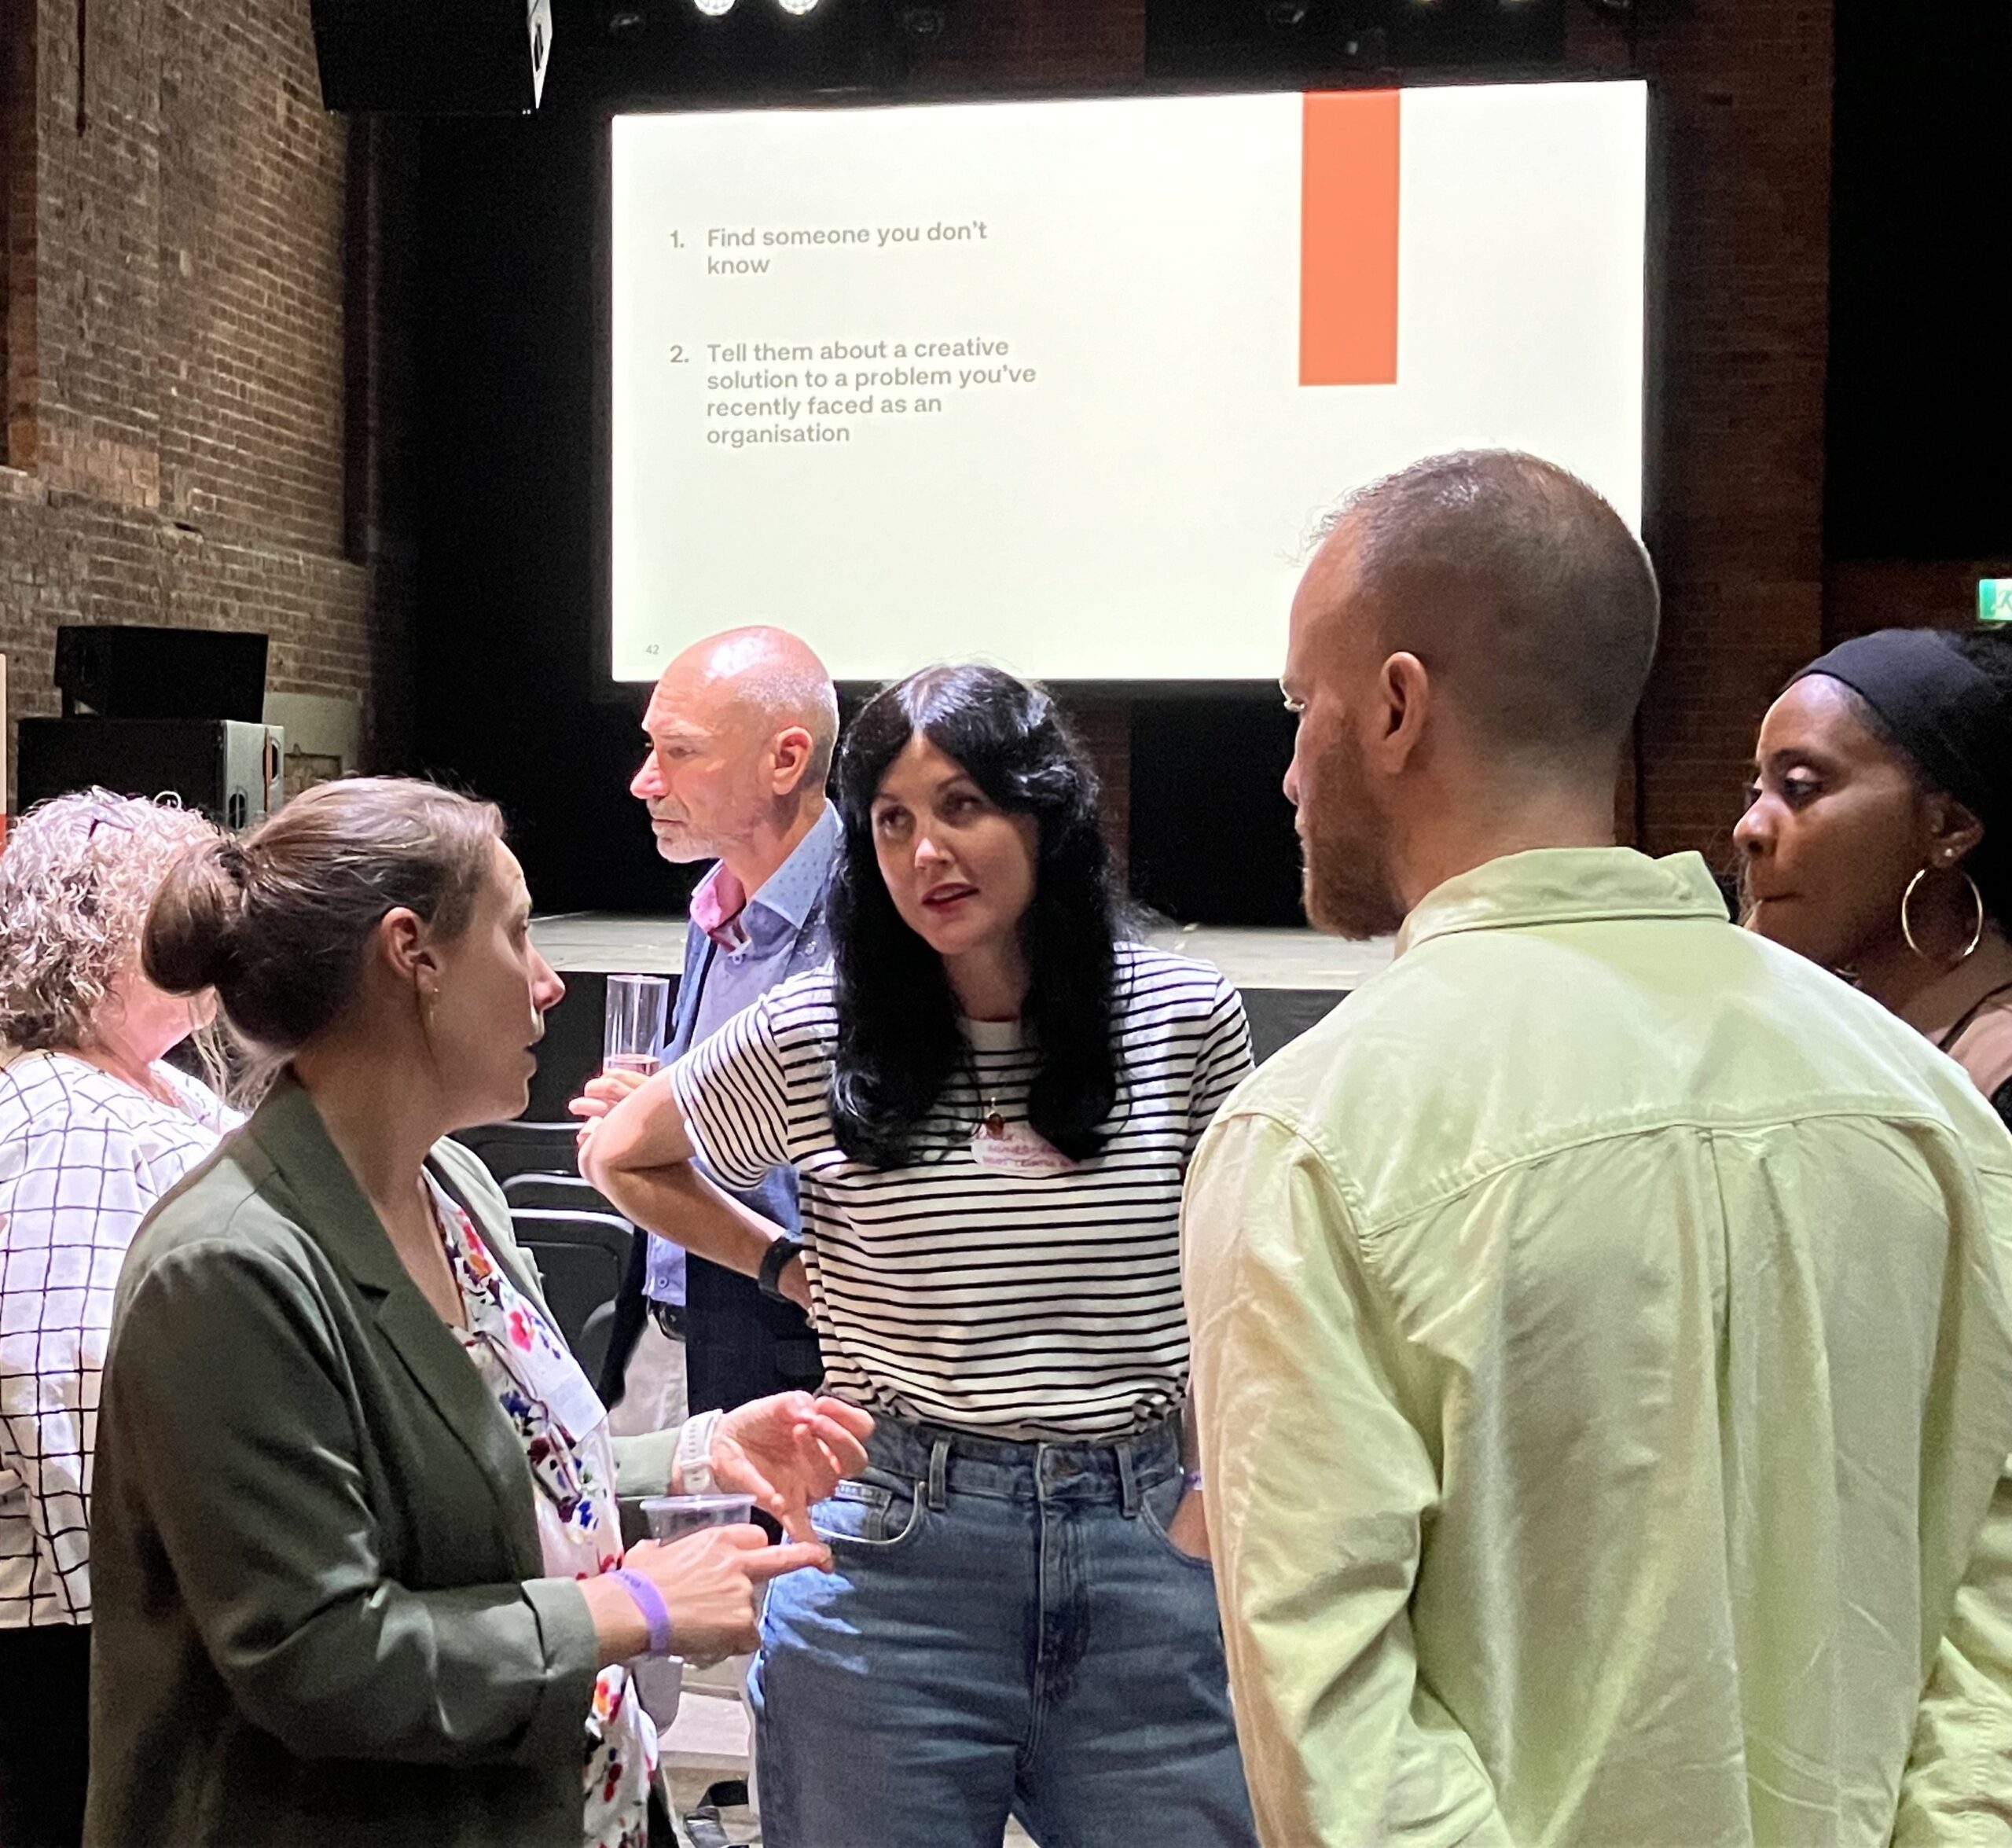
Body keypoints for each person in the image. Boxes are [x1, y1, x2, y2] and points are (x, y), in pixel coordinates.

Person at [1180, 450, 2012, 1845]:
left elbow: (1340, 1741)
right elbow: (1992, 1605)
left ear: (1396, 706)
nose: (1286, 769)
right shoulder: (1928, 1109)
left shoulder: (1317, 1135)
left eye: (1298, 706)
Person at [85, 777, 869, 1848]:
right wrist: (632, 1608)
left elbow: (498, 1473)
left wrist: (699, 1451)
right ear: (413, 954)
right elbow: (319, 1657)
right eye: (516, 933)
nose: (549, 981)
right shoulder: (227, 1266)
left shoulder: (453, 1184)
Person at [581, 665, 1260, 1848]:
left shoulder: (1182, 1014)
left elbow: (1238, 1282)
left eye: (961, 806)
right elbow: (623, 1153)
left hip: (1142, 1550)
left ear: (1042, 811)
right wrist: (784, 1263)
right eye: (891, 819)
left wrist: (1207, 1495)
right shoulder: (821, 1025)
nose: (925, 851)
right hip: (893, 1559)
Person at [0, 791, 240, 1848]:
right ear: (94, 933)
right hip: (71, 1648)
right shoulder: (75, 1119)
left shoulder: (151, 1090)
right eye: (186, 905)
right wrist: (145, 1635)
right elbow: (62, 1396)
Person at [594, 626, 839, 1436]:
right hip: (673, 1323)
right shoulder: (714, 907)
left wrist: (671, 1130)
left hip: (801, 1350)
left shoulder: (874, 927)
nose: (644, 781)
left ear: (785, 760)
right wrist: (649, 1115)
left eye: (681, 751)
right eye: (649, 747)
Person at [1738, 625, 2012, 1126]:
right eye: (1756, 793)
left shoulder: (1998, 1076)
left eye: (1798, 787)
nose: (1748, 829)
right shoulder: (1844, 1028)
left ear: (1949, 826)